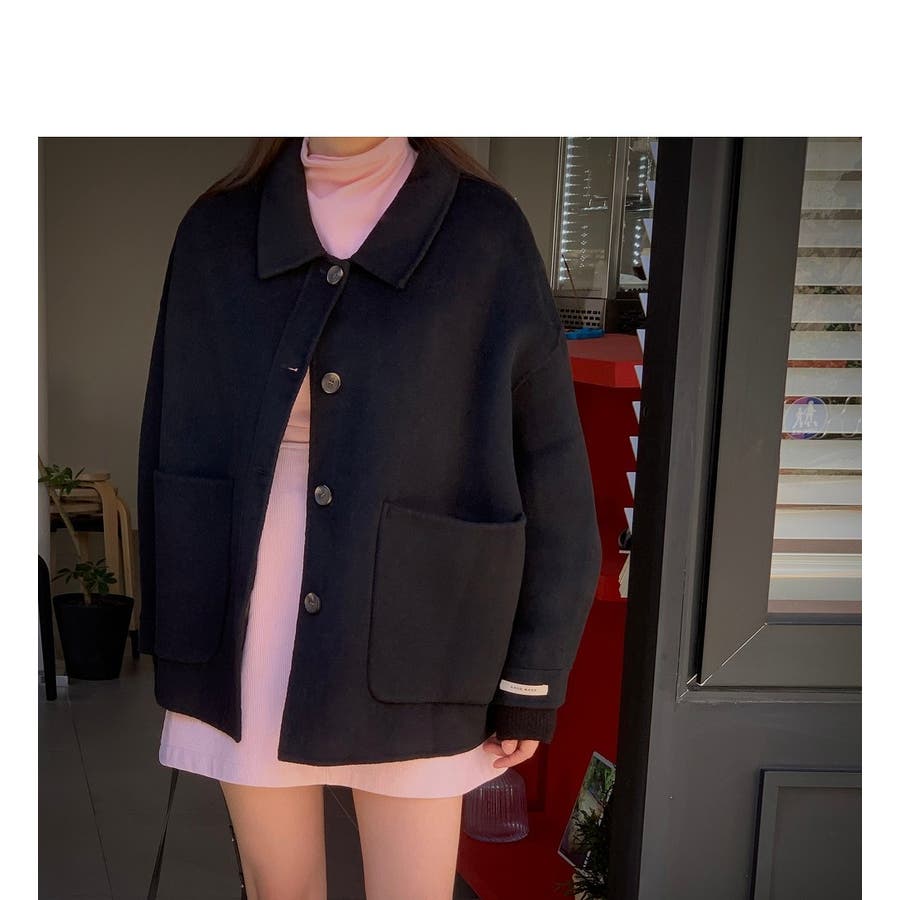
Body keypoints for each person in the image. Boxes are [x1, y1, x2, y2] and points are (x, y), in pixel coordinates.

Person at [139, 136, 601, 900]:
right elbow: (171, 436)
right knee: (279, 889)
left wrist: (533, 674)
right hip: (253, 612)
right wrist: (181, 632)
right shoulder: (216, 231)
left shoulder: (483, 232)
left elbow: (550, 465)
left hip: (426, 626)